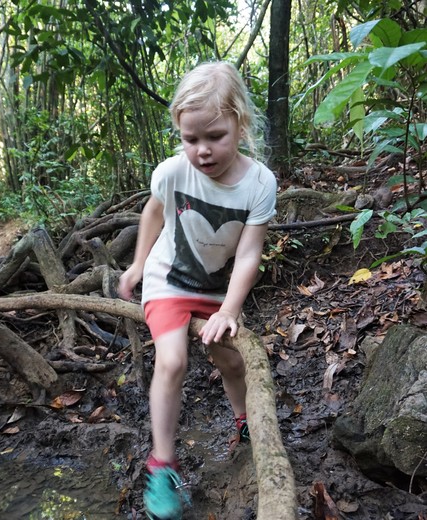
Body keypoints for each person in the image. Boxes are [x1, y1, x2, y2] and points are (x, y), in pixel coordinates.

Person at [118, 61, 277, 520]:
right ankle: (161, 463)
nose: (202, 150)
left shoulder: (259, 184)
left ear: (239, 124)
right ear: (179, 134)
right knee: (173, 359)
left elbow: (248, 254)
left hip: (212, 289)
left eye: (215, 137)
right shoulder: (172, 173)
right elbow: (153, 213)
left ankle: (245, 423)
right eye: (191, 140)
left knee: (230, 359)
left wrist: (229, 309)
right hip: (167, 280)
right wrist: (137, 265)